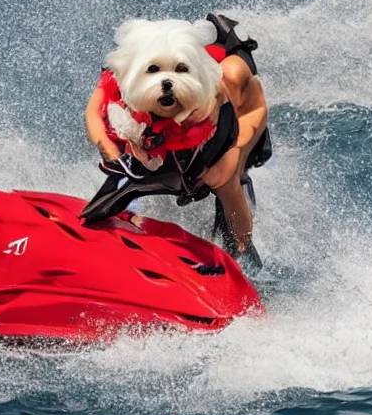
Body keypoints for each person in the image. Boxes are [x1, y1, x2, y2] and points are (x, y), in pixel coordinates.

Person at [83, 14, 270, 263]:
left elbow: (236, 98)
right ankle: (132, 222)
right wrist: (107, 149)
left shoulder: (221, 91)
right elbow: (93, 113)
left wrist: (233, 156)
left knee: (224, 178)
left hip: (243, 112)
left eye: (179, 70)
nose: (167, 82)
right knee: (130, 171)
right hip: (156, 131)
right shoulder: (117, 79)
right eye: (154, 70)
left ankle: (245, 257)